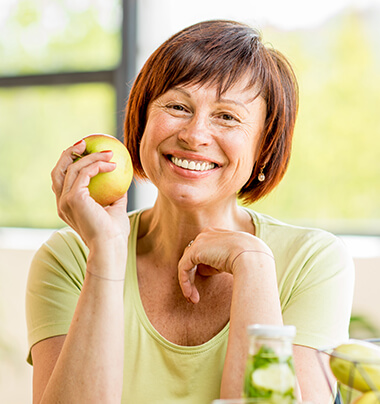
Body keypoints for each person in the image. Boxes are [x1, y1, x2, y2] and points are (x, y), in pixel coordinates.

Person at [26, 19, 354, 403]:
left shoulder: (312, 262)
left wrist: (253, 266)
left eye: (227, 116)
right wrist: (108, 254)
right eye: (178, 106)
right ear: (143, 120)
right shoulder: (70, 258)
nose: (195, 135)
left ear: (264, 146)